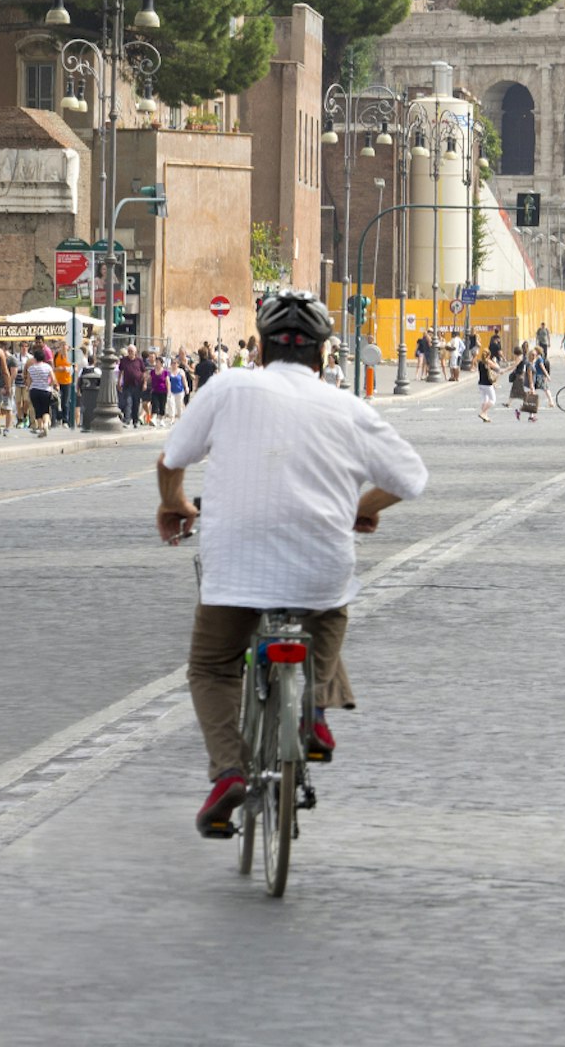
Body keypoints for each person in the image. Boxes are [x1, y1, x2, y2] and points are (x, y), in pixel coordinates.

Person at [156, 290, 428, 837]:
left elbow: (172, 459)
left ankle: (228, 770)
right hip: (320, 563)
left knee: (211, 666)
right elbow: (411, 478)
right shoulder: (348, 407)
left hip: (234, 563)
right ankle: (316, 716)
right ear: (324, 356)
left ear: (258, 349)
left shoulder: (229, 385)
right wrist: (359, 509)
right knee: (328, 612)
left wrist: (174, 505)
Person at [476, 341, 500, 422]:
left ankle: (485, 416)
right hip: (487, 384)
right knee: (492, 400)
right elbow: (497, 368)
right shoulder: (488, 362)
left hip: (480, 383)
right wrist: (494, 361)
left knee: (485, 400)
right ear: (489, 355)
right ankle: (483, 413)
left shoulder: (480, 362)